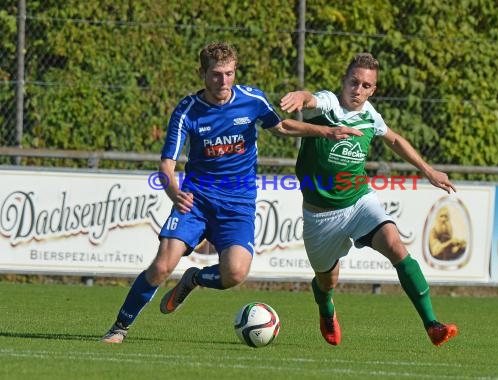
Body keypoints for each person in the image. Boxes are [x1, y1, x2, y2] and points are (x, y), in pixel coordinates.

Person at [101, 41, 361, 344]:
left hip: (238, 203)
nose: (223, 81)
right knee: (161, 266)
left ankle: (194, 278)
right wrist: (173, 192)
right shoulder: (188, 111)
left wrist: (326, 131)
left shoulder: (251, 99)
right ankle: (119, 327)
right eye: (216, 74)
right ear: (202, 73)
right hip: (196, 200)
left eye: (229, 73)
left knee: (235, 274)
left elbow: (281, 127)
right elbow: (166, 166)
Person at [279, 52, 459, 346]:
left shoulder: (370, 115)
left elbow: (395, 140)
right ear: (344, 81)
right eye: (354, 82)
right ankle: (326, 308)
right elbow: (312, 100)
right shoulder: (329, 103)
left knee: (395, 244)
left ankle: (432, 324)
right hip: (320, 216)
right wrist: (302, 96)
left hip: (359, 202)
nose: (358, 90)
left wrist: (428, 170)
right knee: (328, 281)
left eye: (366, 85)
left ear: (373, 89)